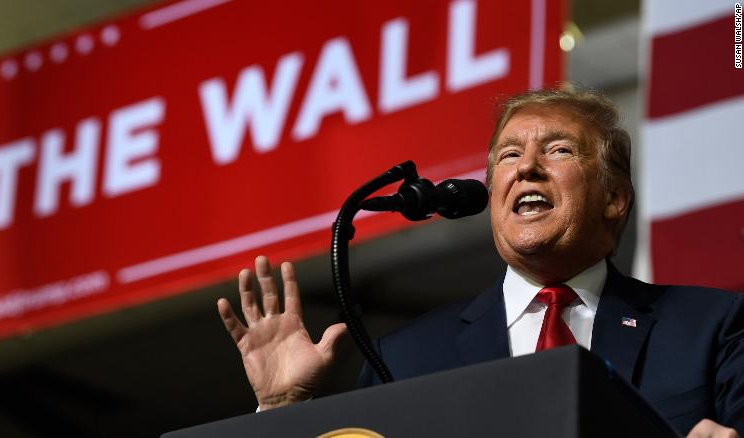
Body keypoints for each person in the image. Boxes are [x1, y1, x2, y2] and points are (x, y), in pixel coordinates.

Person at [216, 88, 743, 437]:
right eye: (509, 156)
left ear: (615, 199)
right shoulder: (407, 358)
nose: (527, 168)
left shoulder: (712, 329)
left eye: (559, 150)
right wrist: (282, 411)